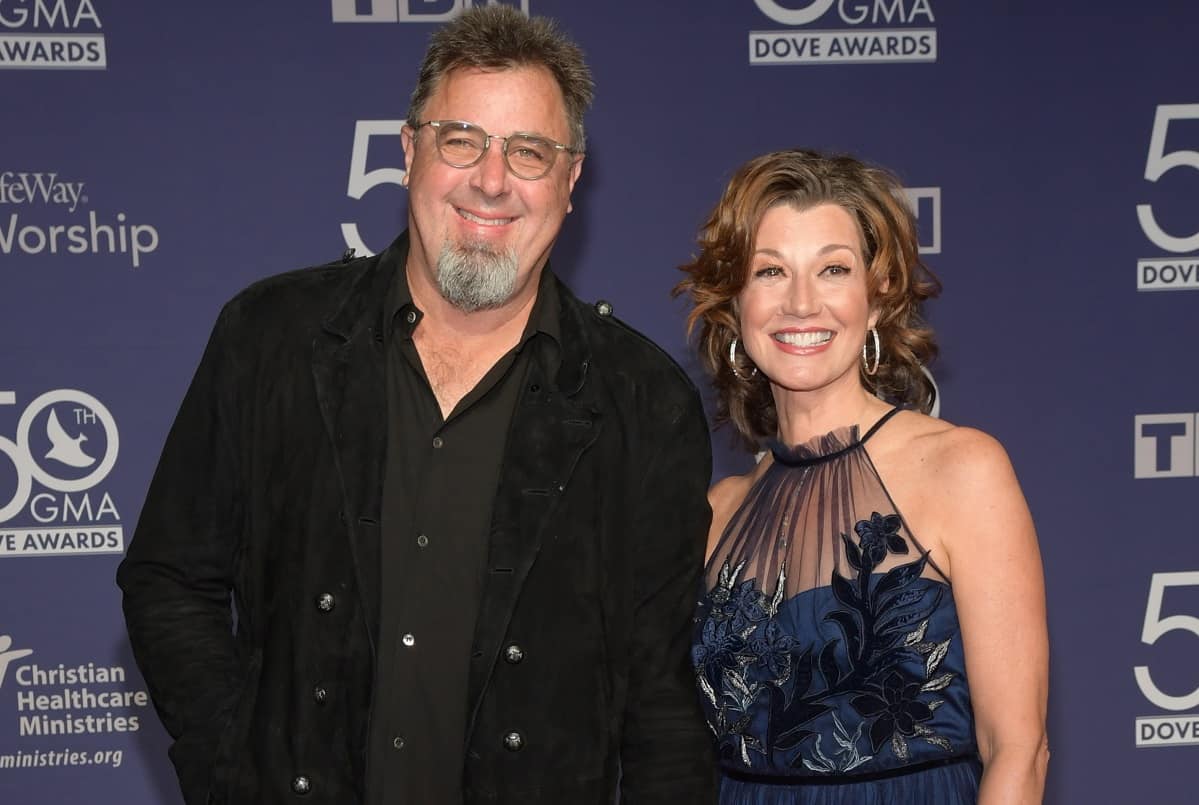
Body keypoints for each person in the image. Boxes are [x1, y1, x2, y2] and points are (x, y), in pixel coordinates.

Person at [117, 7, 716, 805]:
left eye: (529, 152)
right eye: (460, 139)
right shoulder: (272, 338)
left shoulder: (642, 402)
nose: (492, 180)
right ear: (408, 152)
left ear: (570, 183)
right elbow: (169, 578)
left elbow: (662, 700)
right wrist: (232, 768)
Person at [676, 149, 1049, 803]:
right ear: (734, 306)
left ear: (876, 300)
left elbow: (1017, 750)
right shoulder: (721, 512)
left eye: (832, 269)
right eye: (770, 271)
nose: (800, 302)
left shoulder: (962, 470)